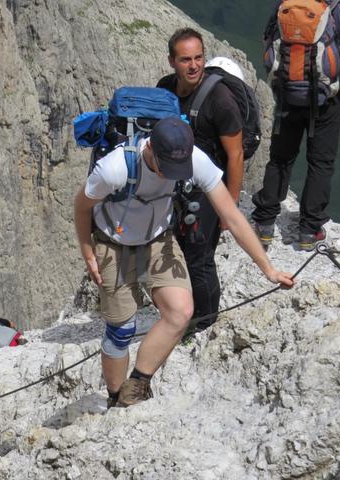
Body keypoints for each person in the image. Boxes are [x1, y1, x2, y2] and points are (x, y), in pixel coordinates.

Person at [74, 117, 293, 408]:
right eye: (166, 168)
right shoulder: (115, 169)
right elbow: (81, 206)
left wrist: (269, 269)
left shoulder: (194, 160)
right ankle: (114, 397)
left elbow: (232, 216)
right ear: (150, 147)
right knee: (121, 329)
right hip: (112, 243)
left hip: (158, 239)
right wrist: (88, 251)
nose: (170, 176)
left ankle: (135, 387)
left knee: (180, 312)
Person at [252, 0, 340, 250]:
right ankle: (309, 231)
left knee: (281, 158)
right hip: (326, 101)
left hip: (288, 96)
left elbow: (267, 38)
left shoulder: (286, 4)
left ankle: (265, 222)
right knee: (320, 162)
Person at [157, 28, 245, 330]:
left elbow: (235, 155)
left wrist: (228, 209)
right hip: (174, 183)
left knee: (199, 255)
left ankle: (204, 322)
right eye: (185, 59)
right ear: (172, 61)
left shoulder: (220, 101)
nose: (194, 65)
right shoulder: (164, 89)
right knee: (173, 250)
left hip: (208, 188)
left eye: (198, 58)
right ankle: (181, 311)